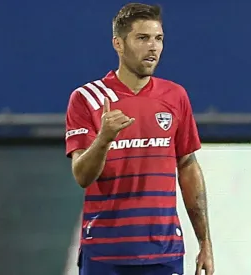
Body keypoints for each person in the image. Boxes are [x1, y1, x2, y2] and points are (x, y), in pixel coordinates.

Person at [64, 3, 214, 275]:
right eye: (142, 38)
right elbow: (82, 176)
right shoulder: (87, 99)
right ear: (118, 44)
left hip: (163, 253)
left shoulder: (175, 96)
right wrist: (104, 139)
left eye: (158, 39)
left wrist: (205, 242)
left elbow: (188, 166)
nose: (153, 47)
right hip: (105, 254)